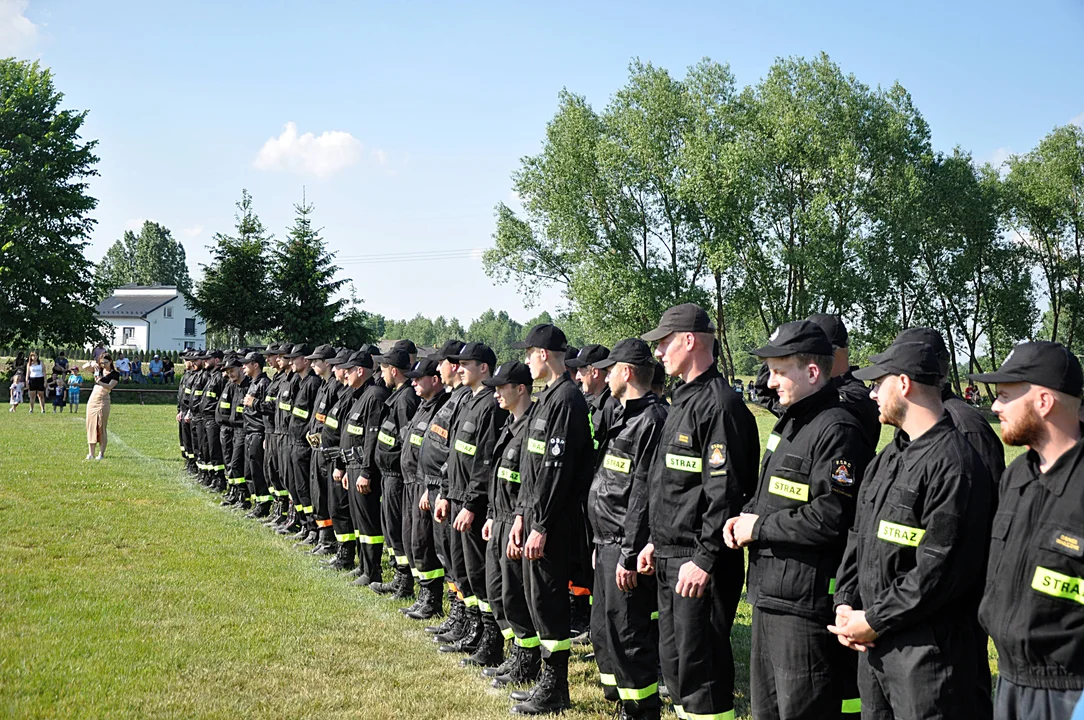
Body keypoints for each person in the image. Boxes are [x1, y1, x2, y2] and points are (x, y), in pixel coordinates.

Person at [829, 340, 992, 720]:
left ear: (903, 384)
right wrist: (845, 602)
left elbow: (938, 569)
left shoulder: (955, 465)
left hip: (929, 660)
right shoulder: (887, 458)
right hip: (875, 650)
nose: (871, 393)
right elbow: (859, 537)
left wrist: (872, 620)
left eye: (877, 383)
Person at [725, 320, 874, 720]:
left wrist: (760, 528)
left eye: (778, 371)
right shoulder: (791, 421)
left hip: (804, 607)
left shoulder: (838, 429)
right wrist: (748, 515)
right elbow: (775, 493)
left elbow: (833, 515)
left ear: (812, 372)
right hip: (769, 595)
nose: (770, 382)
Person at [635, 304, 760, 720]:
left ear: (689, 341)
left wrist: (705, 559)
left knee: (702, 671)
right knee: (677, 669)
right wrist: (657, 539)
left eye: (665, 342)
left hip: (698, 562)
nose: (659, 353)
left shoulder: (719, 404)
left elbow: (723, 493)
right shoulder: (682, 399)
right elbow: (674, 482)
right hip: (672, 555)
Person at [969, 342, 1084, 720]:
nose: (995, 407)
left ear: (1044, 401)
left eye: (1004, 396)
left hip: (1069, 693)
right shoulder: (1017, 476)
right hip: (1011, 682)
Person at [506, 323, 592, 715]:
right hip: (537, 516)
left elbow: (557, 472)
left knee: (550, 599)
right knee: (538, 598)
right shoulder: (548, 398)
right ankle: (547, 679)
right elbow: (532, 467)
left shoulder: (567, 399)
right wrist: (523, 515)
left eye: (528, 354)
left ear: (542, 354)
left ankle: (557, 686)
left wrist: (540, 524)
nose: (527, 361)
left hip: (554, 522)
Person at [586, 339, 669, 720]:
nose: (604, 374)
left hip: (624, 544)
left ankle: (641, 710)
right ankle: (624, 702)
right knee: (606, 631)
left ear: (627, 371)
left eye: (611, 367)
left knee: (630, 635)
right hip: (606, 541)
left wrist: (629, 553)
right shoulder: (625, 414)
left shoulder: (651, 420)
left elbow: (642, 495)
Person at [437, 342, 508, 665]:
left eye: (466, 364)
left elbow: (485, 463)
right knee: (463, 570)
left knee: (480, 575)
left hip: (474, 506)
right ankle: (471, 627)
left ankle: (489, 640)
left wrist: (471, 504)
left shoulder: (490, 406)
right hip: (456, 498)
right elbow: (455, 453)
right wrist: (444, 491)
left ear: (484, 368)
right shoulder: (467, 400)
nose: (458, 368)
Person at [478, 361, 542, 689]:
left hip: (516, 522)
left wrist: (518, 520)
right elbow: (498, 476)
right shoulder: (509, 425)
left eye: (502, 387)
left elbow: (530, 485)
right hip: (499, 518)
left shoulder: (533, 427)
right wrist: (491, 513)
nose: (496, 392)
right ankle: (515, 653)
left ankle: (526, 662)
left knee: (517, 596)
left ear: (520, 389)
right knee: (498, 591)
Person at [565, 343, 618, 639]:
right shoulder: (591, 403)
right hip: (587, 498)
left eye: (582, 370)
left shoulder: (610, 406)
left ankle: (590, 618)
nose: (578, 376)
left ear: (595, 371)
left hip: (603, 501)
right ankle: (584, 613)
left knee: (594, 563)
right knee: (581, 558)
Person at [399, 356, 451, 619]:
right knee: (413, 541)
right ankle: (423, 595)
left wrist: (430, 487)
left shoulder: (441, 406)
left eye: (419, 379)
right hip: (412, 482)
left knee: (424, 543)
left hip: (425, 484)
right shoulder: (423, 405)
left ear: (435, 379)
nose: (414, 383)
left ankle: (432, 599)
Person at [370, 347, 422, 598]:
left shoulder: (405, 400)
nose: (381, 374)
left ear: (393, 370)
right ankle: (398, 577)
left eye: (383, 369)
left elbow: (407, 443)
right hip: (388, 475)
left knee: (398, 530)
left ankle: (405, 584)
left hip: (397, 478)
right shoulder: (398, 397)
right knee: (391, 529)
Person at [241, 351, 272, 518]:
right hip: (249, 431)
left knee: (258, 471)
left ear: (256, 365)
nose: (243, 367)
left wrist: (254, 403)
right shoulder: (253, 383)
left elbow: (269, 411)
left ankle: (263, 505)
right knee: (250, 470)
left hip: (258, 432)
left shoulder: (264, 383)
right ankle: (257, 502)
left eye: (246, 364)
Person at [86, 353, 120, 460]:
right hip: (93, 399)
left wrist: (99, 381)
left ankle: (101, 453)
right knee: (91, 425)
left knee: (101, 426)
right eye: (101, 363)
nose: (103, 365)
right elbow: (84, 368)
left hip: (103, 399)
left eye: (105, 362)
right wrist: (93, 363)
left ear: (110, 362)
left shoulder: (115, 374)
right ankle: (91, 453)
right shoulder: (98, 370)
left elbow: (110, 386)